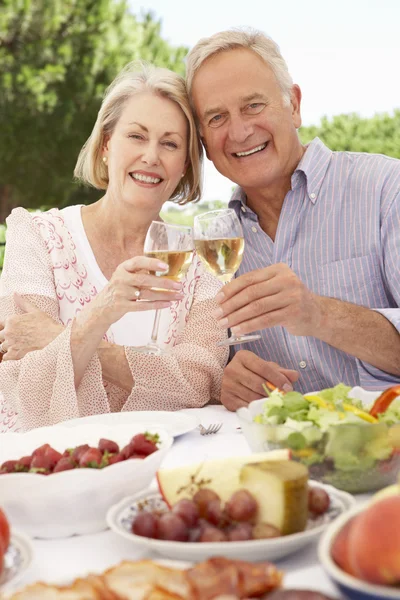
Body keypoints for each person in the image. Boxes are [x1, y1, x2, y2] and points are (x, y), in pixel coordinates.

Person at [0, 61, 228, 432]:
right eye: (136, 136)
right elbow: (25, 388)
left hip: (163, 461)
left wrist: (69, 341)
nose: (151, 156)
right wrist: (101, 312)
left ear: (184, 166)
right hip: (46, 468)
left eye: (169, 143)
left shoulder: (199, 263)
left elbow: (198, 380)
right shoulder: (38, 236)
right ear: (107, 145)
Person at [186, 28, 400, 411]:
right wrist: (230, 381)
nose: (239, 131)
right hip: (285, 459)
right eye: (217, 117)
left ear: (294, 105)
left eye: (253, 105)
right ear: (203, 139)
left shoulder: (387, 190)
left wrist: (319, 314)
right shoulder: (217, 247)